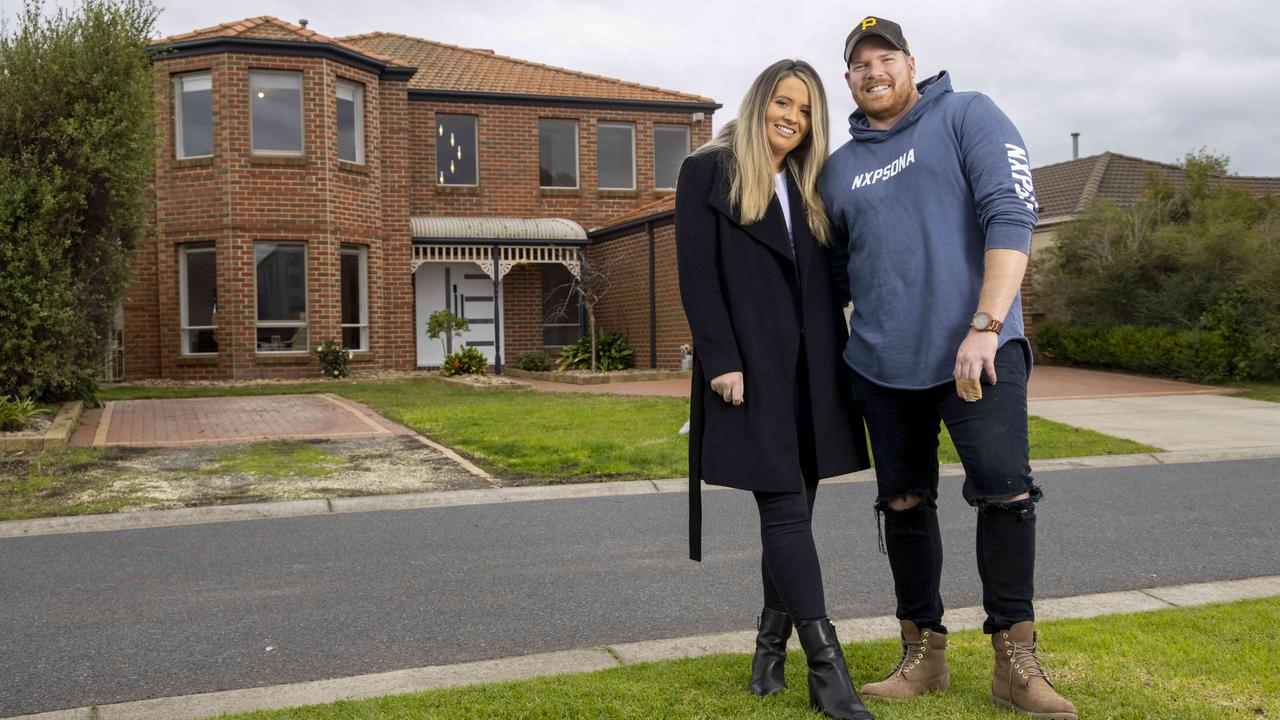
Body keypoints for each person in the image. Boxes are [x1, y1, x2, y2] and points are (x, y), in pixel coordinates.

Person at [820, 17, 1077, 720]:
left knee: (1005, 497)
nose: (872, 71)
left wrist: (986, 326)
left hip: (979, 356)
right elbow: (837, 273)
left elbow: (1010, 214)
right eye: (859, 65)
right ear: (848, 79)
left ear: (910, 63)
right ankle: (922, 654)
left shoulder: (968, 114)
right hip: (881, 367)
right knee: (903, 505)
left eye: (884, 58)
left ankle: (1014, 663)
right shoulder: (838, 168)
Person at [676, 59, 873, 720]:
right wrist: (721, 362)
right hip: (751, 372)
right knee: (784, 510)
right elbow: (698, 277)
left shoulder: (812, 183)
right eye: (783, 102)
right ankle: (827, 666)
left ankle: (768, 646)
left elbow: (839, 277)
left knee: (795, 517)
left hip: (816, 373)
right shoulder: (709, 171)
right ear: (761, 100)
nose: (793, 117)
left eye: (807, 108)